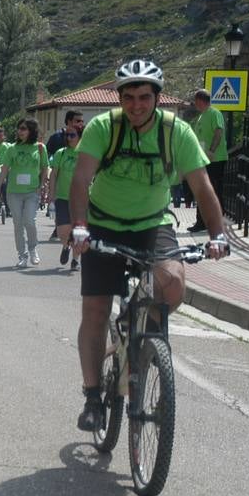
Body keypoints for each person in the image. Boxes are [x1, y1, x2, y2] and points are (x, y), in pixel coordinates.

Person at [70, 59, 229, 432]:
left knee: (172, 281)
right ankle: (93, 397)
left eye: (144, 97)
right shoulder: (104, 127)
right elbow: (80, 180)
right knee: (95, 309)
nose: (136, 105)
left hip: (152, 224)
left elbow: (202, 186)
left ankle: (138, 330)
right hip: (104, 224)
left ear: (157, 98)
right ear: (120, 99)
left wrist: (218, 234)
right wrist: (79, 227)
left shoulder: (176, 132)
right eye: (129, 97)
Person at [0, 119, 50, 268]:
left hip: (32, 192)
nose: (20, 131)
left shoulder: (40, 148)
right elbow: (4, 169)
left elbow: (45, 167)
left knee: (29, 221)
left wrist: (41, 185)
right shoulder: (12, 148)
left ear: (31, 131)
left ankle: (33, 248)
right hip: (14, 192)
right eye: (19, 128)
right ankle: (22, 255)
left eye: (23, 129)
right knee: (18, 224)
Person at [188, 88, 227, 233]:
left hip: (215, 159)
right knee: (202, 190)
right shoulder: (201, 116)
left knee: (213, 190)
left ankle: (216, 222)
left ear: (199, 100)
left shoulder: (214, 113)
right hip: (203, 160)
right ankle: (202, 222)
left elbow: (218, 132)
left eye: (195, 101)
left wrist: (211, 151)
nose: (194, 104)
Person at [47, 122, 83, 271]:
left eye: (72, 135)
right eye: (67, 135)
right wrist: (51, 194)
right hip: (62, 197)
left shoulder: (87, 154)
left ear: (80, 137)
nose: (69, 138)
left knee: (79, 232)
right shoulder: (60, 153)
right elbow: (54, 175)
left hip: (81, 199)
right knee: (63, 232)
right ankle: (66, 245)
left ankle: (75, 260)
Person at [45, 110, 82, 217]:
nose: (80, 123)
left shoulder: (88, 152)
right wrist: (51, 194)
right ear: (69, 121)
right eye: (78, 121)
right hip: (62, 196)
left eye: (81, 121)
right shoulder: (56, 138)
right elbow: (48, 157)